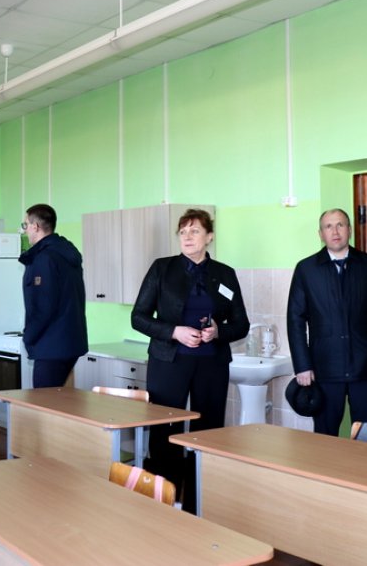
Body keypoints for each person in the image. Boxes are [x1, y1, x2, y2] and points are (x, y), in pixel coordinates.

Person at [132, 208, 249, 511]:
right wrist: (174, 331)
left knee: (208, 433)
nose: (187, 236)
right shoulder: (162, 269)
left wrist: (218, 332)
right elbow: (138, 317)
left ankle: (200, 503)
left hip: (211, 364)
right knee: (164, 431)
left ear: (209, 237)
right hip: (169, 362)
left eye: (195, 231)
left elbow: (241, 325)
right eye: (183, 231)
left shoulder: (225, 274)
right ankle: (162, 502)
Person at [286, 208, 367, 436]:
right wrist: (302, 365)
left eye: (340, 225)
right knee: (325, 438)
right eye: (328, 226)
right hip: (324, 367)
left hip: (365, 367)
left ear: (350, 230)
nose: (335, 231)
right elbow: (295, 319)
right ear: (320, 234)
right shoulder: (306, 269)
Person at [19, 203, 88, 388]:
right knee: (59, 400)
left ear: (35, 227)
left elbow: (43, 306)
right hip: (69, 342)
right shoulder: (65, 251)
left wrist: (28, 337)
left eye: (26, 225)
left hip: (51, 345)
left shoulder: (44, 258)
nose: (25, 230)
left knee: (42, 402)